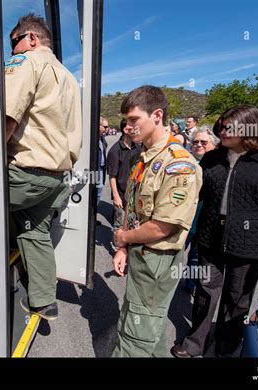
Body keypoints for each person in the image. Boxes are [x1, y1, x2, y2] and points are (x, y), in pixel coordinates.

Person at [171, 104, 258, 358]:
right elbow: (195, 196)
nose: (222, 131)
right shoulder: (213, 157)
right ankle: (196, 342)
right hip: (210, 238)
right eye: (221, 126)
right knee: (205, 292)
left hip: (248, 245)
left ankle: (226, 346)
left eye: (229, 127)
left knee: (237, 301)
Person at [111, 85, 202, 357]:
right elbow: (133, 205)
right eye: (125, 121)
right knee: (150, 326)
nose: (127, 127)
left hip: (157, 259)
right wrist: (124, 248)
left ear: (157, 115)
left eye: (133, 120)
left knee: (135, 336)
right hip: (141, 254)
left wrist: (123, 238)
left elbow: (163, 226)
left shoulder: (179, 165)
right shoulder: (145, 158)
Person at [4, 13, 82, 321]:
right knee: (33, 230)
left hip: (24, 175)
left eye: (14, 42)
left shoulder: (27, 62)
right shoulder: (68, 77)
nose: (12, 51)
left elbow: (7, 118)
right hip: (56, 179)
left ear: (32, 39)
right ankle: (43, 300)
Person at [183, 125, 219, 295]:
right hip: (184, 220)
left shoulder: (219, 166)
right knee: (172, 254)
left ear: (214, 143)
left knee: (196, 258)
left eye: (203, 142)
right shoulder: (184, 163)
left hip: (205, 223)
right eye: (195, 141)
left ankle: (190, 285)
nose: (198, 145)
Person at [106, 119, 141, 243]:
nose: (138, 130)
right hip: (121, 194)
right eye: (135, 128)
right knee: (119, 224)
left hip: (134, 194)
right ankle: (118, 247)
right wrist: (116, 196)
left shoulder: (138, 147)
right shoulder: (115, 151)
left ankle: (128, 246)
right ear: (126, 130)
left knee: (132, 224)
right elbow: (112, 176)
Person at [97, 117, 109, 206]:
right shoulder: (91, 139)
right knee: (96, 193)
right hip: (94, 171)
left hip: (101, 169)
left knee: (99, 192)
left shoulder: (102, 139)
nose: (107, 129)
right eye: (105, 126)